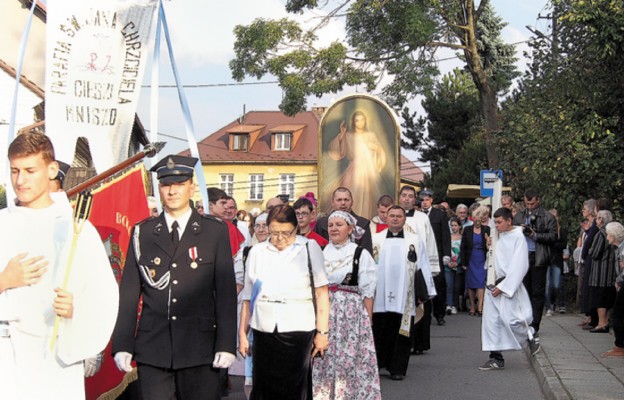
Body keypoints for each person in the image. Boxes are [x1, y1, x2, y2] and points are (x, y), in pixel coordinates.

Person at [0, 132, 119, 399]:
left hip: (55, 356)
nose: (20, 180)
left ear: (52, 169)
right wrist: (4, 280)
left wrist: (75, 309)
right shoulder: (2, 224)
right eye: (14, 171)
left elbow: (102, 295)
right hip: (6, 358)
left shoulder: (76, 228)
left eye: (30, 170)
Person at [112, 155, 238, 400]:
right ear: (159, 188)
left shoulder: (214, 231)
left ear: (191, 186)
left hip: (200, 348)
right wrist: (123, 343)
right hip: (154, 347)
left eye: (179, 184)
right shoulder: (143, 232)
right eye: (166, 185)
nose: (172, 191)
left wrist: (226, 343)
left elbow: (225, 292)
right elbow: (129, 293)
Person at [238, 205, 330, 399]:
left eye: (286, 233)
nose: (279, 238)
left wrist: (322, 332)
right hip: (264, 327)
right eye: (274, 233)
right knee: (264, 385)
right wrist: (242, 334)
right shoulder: (257, 251)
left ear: (296, 228)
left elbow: (321, 293)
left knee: (294, 386)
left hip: (298, 328)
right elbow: (248, 297)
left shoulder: (308, 247)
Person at [312, 210, 381, 399]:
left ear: (350, 229)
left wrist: (367, 323)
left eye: (339, 225)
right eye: (331, 225)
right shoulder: (320, 252)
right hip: (324, 313)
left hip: (351, 316)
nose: (334, 228)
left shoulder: (360, 254)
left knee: (349, 361)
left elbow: (368, 292)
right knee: (324, 358)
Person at [372, 206, 435, 380]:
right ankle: (377, 364)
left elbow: (422, 265)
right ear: (386, 218)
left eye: (399, 216)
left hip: (404, 295)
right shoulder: (375, 239)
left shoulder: (415, 240)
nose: (395, 219)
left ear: (404, 219)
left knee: (402, 330)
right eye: (391, 215)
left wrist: (425, 291)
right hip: (380, 295)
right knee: (380, 328)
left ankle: (398, 368)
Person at [480, 207, 538, 371]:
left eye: (499, 222)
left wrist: (505, 286)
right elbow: (493, 259)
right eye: (495, 222)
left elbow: (520, 264)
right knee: (491, 323)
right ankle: (495, 357)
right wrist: (489, 247)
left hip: (507, 284)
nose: (496, 225)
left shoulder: (518, 237)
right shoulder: (496, 236)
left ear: (508, 221)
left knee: (512, 320)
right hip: (492, 284)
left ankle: (530, 335)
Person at [512, 189, 556, 339]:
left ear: (538, 200)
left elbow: (553, 237)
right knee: (524, 291)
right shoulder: (519, 216)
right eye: (527, 203)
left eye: (532, 203)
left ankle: (534, 324)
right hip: (522, 257)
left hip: (539, 257)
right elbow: (511, 234)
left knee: (537, 292)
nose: (530, 206)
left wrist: (535, 235)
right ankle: (525, 321)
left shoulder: (547, 216)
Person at [326, 110, 387, 218]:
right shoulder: (349, 135)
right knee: (351, 193)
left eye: (362, 120)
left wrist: (375, 148)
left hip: (367, 172)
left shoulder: (370, 135)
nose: (359, 123)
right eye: (357, 120)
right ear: (353, 122)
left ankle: (363, 220)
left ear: (365, 121)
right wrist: (342, 133)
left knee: (366, 198)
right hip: (353, 170)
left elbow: (380, 151)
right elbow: (338, 151)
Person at [420, 189, 451, 326]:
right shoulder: (417, 215)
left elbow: (445, 235)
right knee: (422, 285)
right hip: (421, 255)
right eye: (422, 200)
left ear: (431, 200)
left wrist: (446, 254)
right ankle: (424, 314)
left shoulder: (439, 214)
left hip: (436, 255)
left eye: (427, 199)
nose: (424, 202)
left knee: (438, 284)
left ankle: (439, 314)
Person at [315, 187, 373, 254]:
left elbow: (367, 252)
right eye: (339, 200)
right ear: (332, 202)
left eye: (346, 200)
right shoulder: (322, 223)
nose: (343, 203)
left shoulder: (362, 224)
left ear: (352, 201)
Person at [587, 210, 617, 333]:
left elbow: (595, 253)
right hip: (610, 271)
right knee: (607, 296)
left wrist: (590, 251)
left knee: (600, 298)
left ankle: (602, 323)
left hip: (600, 272)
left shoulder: (601, 234)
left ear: (601, 220)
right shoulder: (612, 232)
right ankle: (606, 321)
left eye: (597, 218)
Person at [460, 205, 490, 316]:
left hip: (481, 258)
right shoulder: (467, 230)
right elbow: (463, 247)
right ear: (473, 219)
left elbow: (489, 245)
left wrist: (488, 241)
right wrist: (463, 262)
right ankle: (472, 306)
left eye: (479, 219)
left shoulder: (487, 229)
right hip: (470, 258)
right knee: (471, 285)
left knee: (481, 284)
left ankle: (480, 306)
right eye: (475, 219)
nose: (477, 221)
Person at [602, 222, 624, 357]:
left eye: (608, 233)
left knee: (618, 313)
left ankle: (620, 345)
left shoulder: (622, 250)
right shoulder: (618, 249)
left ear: (613, 235)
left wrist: (619, 281)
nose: (606, 236)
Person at [579, 199, 599, 329]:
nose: (583, 211)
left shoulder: (595, 224)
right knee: (585, 286)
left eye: (585, 209)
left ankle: (593, 317)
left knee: (589, 286)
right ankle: (589, 315)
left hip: (591, 259)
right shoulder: (589, 225)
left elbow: (590, 241)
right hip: (586, 258)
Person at [545, 209, 568, 316]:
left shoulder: (561, 231)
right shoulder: (546, 230)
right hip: (547, 259)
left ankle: (555, 302)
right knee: (548, 284)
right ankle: (549, 305)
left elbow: (563, 244)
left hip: (557, 260)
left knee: (557, 284)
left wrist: (552, 243)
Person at [445, 217, 463, 315]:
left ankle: (455, 305)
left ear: (460, 226)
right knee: (449, 285)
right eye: (452, 225)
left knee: (457, 287)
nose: (453, 227)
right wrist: (448, 262)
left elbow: (463, 252)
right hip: (448, 265)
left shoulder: (462, 238)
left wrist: (458, 262)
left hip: (458, 265)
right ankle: (448, 304)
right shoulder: (448, 237)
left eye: (455, 225)